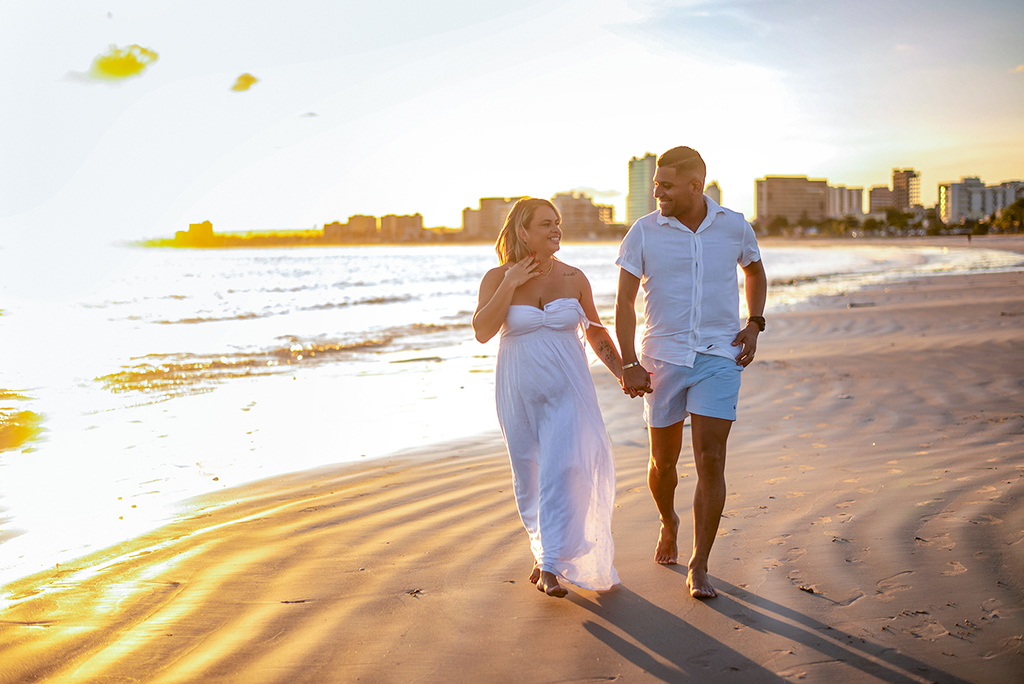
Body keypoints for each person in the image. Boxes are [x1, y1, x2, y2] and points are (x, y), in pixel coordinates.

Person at [614, 147, 767, 599]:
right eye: (655, 183)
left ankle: (700, 562)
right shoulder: (643, 232)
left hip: (719, 355)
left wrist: (754, 324)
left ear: (694, 186)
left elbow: (755, 272)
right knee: (663, 462)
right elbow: (623, 302)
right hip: (661, 359)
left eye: (665, 184)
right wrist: (627, 362)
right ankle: (668, 519)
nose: (656, 190)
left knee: (711, 459)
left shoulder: (734, 225)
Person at [473, 197, 624, 598]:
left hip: (568, 390)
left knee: (565, 470)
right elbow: (483, 331)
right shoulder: (496, 278)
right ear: (523, 232)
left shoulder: (574, 278)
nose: (556, 229)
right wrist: (509, 283)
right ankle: (544, 554)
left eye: (557, 223)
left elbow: (595, 331)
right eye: (545, 224)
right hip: (517, 391)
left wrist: (623, 370)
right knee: (530, 475)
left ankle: (552, 567)